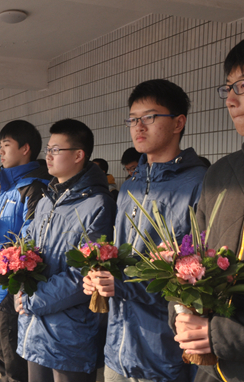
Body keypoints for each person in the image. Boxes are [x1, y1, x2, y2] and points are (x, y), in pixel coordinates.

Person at [83, 79, 207, 382]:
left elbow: (198, 277)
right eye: (133, 119)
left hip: (164, 352)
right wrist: (99, 275)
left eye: (149, 117)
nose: (139, 126)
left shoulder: (200, 184)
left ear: (178, 122)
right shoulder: (132, 185)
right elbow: (121, 254)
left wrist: (121, 284)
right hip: (117, 345)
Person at [14, 119, 116, 382]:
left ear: (79, 155)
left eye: (56, 150)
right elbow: (27, 246)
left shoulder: (97, 204)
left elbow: (84, 274)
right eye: (47, 149)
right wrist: (17, 282)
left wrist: (30, 300)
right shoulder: (49, 198)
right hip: (35, 325)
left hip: (69, 332)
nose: (47, 156)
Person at [170, 38, 244, 382]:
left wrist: (221, 335)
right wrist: (182, 313)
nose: (231, 101)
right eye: (228, 88)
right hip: (214, 371)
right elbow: (194, 254)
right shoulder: (222, 173)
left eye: (242, 87)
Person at [0, 120, 50, 382]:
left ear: (25, 149)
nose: (1, 152)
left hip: (9, 290)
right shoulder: (6, 188)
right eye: (0, 146)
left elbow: (26, 243)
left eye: (6, 145)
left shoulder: (33, 188)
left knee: (13, 366)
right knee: (0, 360)